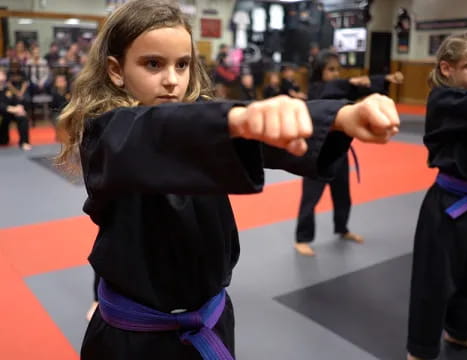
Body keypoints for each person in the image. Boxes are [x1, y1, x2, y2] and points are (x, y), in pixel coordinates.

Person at [56, 1, 400, 359]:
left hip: (210, 319)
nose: (172, 79)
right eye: (153, 64)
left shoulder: (199, 124)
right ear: (116, 70)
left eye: (182, 64)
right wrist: (238, 120)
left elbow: (243, 136)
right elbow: (157, 134)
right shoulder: (107, 134)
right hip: (133, 339)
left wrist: (342, 116)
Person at [407, 32, 467, 360]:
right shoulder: (444, 100)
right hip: (450, 205)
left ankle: (459, 331)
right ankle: (421, 350)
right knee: (434, 282)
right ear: (447, 68)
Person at [295, 50, 403, 256]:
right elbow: (337, 87)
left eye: (338, 69)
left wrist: (383, 80)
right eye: (331, 69)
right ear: (319, 71)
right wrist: (353, 81)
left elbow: (357, 87)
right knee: (311, 197)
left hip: (338, 151)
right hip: (315, 153)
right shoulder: (317, 89)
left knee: (343, 193)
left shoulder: (338, 87)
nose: (336, 73)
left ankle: (342, 228)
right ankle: (302, 238)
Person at [0, 69, 31, 150]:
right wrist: (11, 109)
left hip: (8, 114)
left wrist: (19, 107)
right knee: (3, 141)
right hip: (1, 115)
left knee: (22, 117)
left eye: (3, 74)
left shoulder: (8, 88)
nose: (2, 77)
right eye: (1, 74)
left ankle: (24, 142)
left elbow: (15, 100)